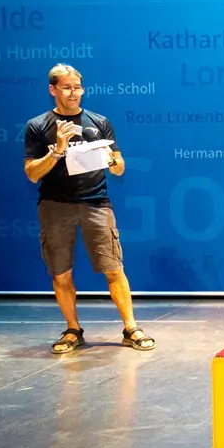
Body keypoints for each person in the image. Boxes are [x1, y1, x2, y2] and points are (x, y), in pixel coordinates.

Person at [23, 64, 155, 354]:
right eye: (67, 87)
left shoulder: (98, 122)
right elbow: (32, 173)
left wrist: (111, 158)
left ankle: (130, 327)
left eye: (78, 87)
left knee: (113, 268)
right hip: (56, 206)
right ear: (53, 90)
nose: (73, 93)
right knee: (61, 273)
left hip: (97, 203)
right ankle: (73, 329)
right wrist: (58, 149)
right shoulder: (38, 126)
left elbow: (119, 168)